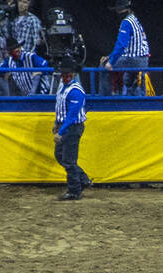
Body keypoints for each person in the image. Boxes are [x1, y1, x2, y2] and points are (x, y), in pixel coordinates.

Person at [53, 57, 90, 201]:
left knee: (68, 159)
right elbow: (60, 107)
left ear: (73, 75)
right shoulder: (63, 87)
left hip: (72, 127)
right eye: (64, 75)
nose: (66, 77)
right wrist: (57, 122)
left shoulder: (76, 91)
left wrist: (61, 131)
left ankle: (74, 190)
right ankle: (83, 179)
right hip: (65, 125)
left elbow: (72, 116)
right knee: (60, 156)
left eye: (68, 75)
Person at [100, 0, 150, 96]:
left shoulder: (126, 22)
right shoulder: (135, 20)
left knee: (103, 66)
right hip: (143, 59)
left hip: (134, 59)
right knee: (128, 79)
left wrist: (111, 61)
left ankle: (105, 97)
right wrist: (110, 56)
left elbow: (122, 45)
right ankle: (133, 98)